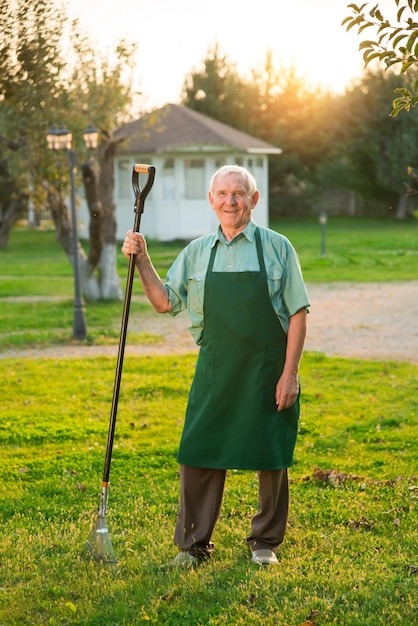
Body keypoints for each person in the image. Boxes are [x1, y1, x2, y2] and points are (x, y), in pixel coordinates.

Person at [122, 164, 310, 567]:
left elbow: (298, 312)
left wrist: (289, 374)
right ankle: (193, 546)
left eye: (238, 193)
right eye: (222, 194)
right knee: (198, 450)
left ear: (253, 200)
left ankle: (265, 542)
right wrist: (142, 260)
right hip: (215, 368)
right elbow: (164, 302)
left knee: (270, 452)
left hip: (266, 368)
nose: (230, 201)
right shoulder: (196, 252)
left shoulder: (278, 247)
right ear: (212, 201)